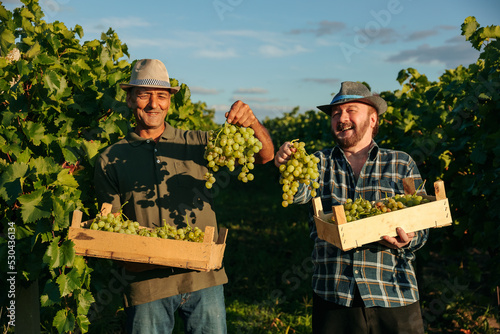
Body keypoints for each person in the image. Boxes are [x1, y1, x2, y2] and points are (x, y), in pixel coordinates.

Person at [94, 59, 274, 334]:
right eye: (144, 95)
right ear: (130, 99)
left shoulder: (198, 142)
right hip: (147, 286)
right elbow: (112, 229)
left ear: (169, 102)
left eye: (162, 96)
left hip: (204, 279)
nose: (154, 104)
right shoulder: (110, 159)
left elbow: (265, 155)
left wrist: (252, 123)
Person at [274, 81, 428, 334]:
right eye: (336, 114)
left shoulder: (401, 163)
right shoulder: (317, 162)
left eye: (351, 110)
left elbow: (423, 223)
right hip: (334, 293)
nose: (341, 118)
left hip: (393, 291)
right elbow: (297, 195)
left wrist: (409, 238)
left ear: (373, 119)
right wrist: (285, 165)